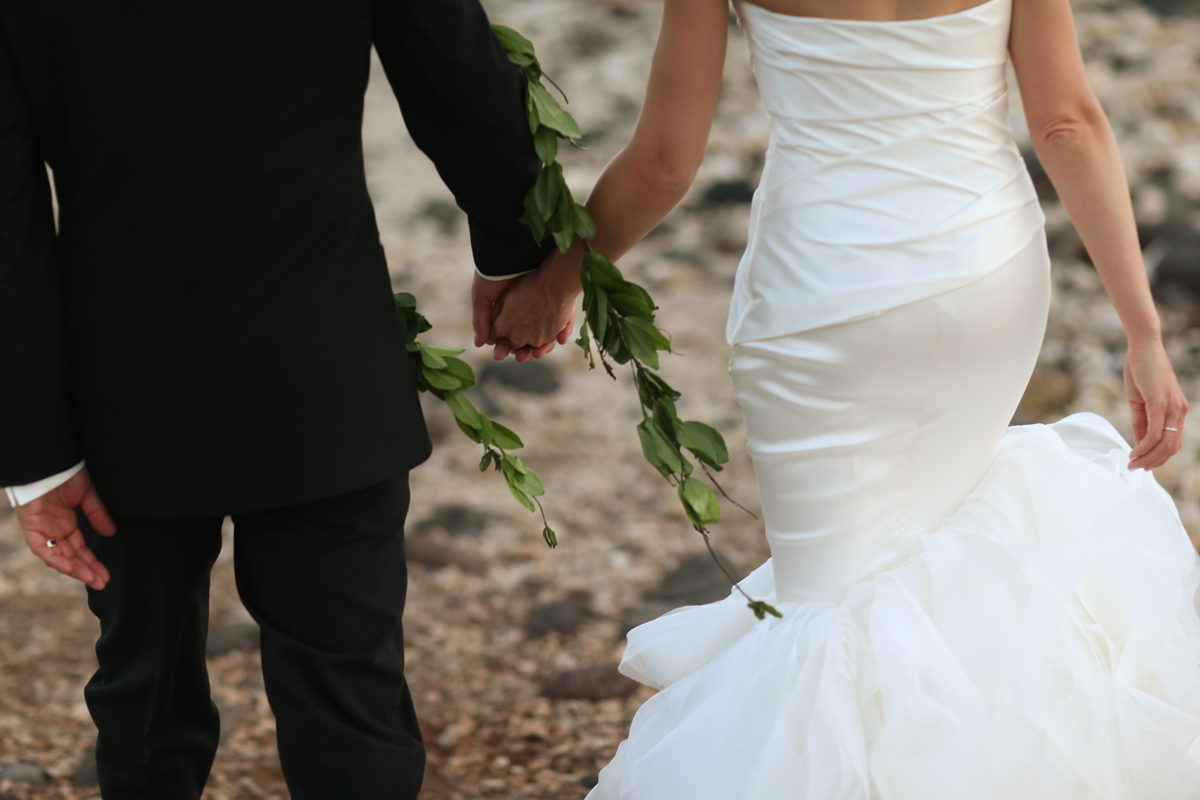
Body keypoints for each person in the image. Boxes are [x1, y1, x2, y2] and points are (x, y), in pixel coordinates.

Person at [487, 0, 1200, 795]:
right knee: (941, 532)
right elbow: (1067, 123)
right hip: (984, 272)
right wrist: (1143, 331)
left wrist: (561, 277)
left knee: (826, 604)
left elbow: (664, 163)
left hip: (824, 295)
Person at [0, 3, 567, 798]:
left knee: (143, 707)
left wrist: (37, 452)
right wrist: (519, 249)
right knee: (349, 709)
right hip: (322, 361)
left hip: (121, 390)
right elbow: (461, 75)